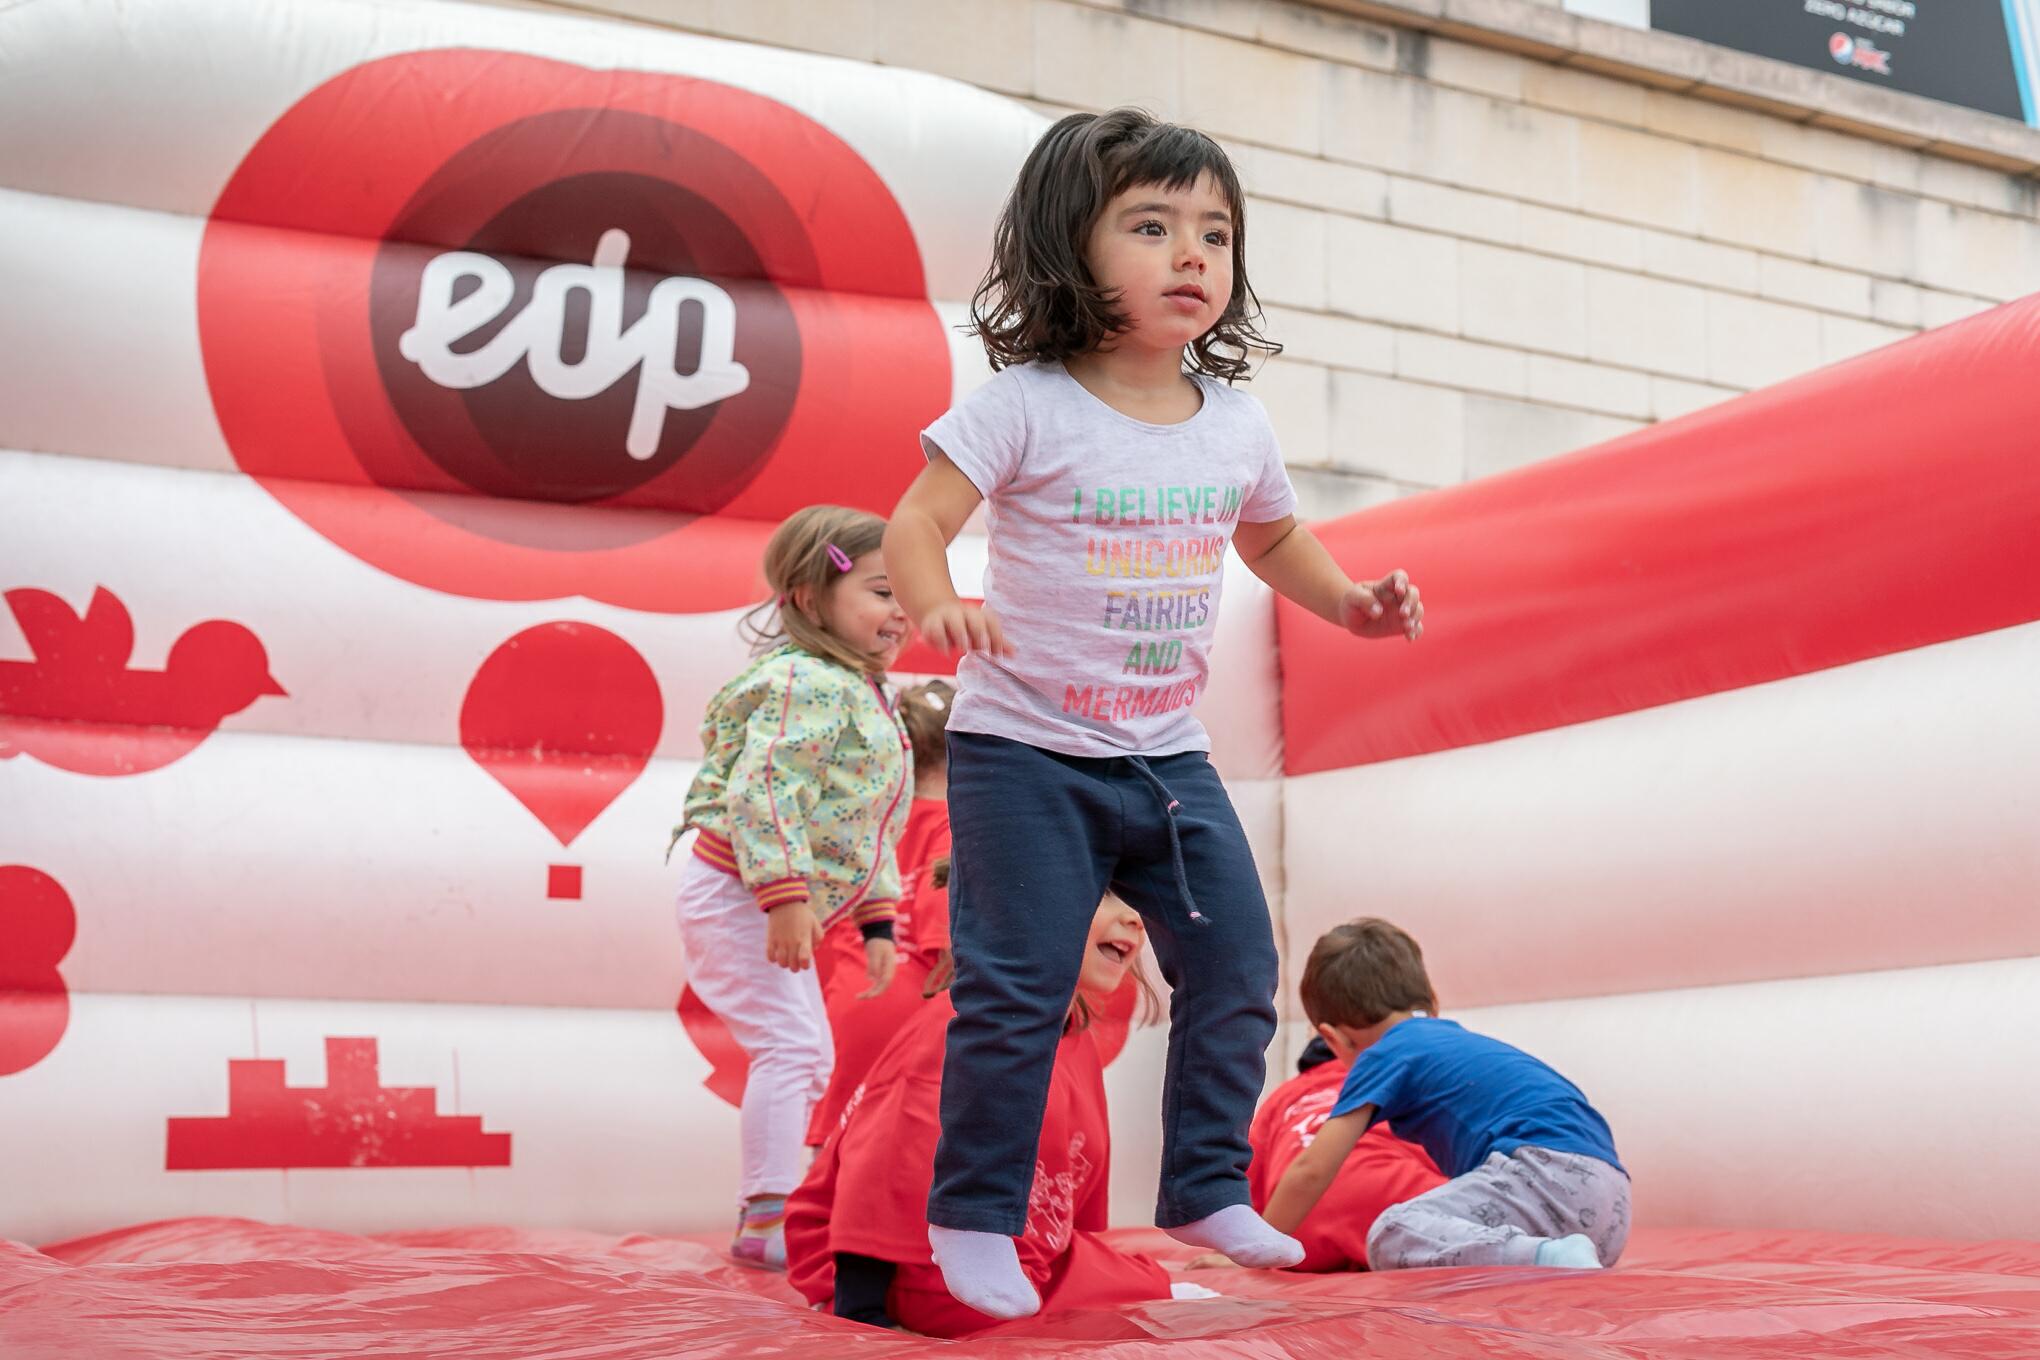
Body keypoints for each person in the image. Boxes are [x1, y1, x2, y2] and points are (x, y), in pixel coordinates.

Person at [882, 107, 1425, 1317]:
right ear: (1072, 251)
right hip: (1022, 749)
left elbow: (1274, 536)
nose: (1194, 256)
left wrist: (1353, 606)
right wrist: (939, 607)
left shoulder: (1234, 420)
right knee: (1017, 987)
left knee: (1236, 963)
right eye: (1152, 225)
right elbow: (916, 521)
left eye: (1215, 235)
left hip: (1163, 753)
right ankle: (972, 1210)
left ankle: (1201, 1184)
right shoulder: (1025, 404)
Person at [670, 505, 913, 1269]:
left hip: (772, 891)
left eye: (904, 592)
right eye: (880, 591)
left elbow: (865, 814)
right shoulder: (804, 680)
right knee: (791, 1044)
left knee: (807, 1052)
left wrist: (877, 920)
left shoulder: (862, 688)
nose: (899, 609)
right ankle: (767, 1217)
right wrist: (784, 897)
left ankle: (776, 1204)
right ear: (811, 599)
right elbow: (766, 789)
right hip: (739, 889)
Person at [784, 898, 1205, 1336]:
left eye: (1136, 900)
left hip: (1031, 1256)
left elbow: (1067, 1207)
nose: (1135, 918)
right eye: (1105, 896)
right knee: (1142, 1301)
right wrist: (865, 1318)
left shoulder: (1074, 1037)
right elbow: (878, 1171)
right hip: (926, 1275)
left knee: (1157, 1285)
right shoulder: (960, 1031)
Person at [1263, 919, 1630, 1270]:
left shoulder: (1385, 1055)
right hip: (1611, 1202)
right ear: (1432, 1003)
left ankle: (1548, 1257)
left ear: (1332, 1038)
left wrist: (1264, 1248)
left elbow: (1312, 1170)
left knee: (1392, 1232)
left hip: (1544, 1177)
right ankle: (1550, 1255)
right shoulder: (1456, 1044)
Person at [807, 680, 957, 1145]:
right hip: (908, 1009)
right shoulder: (953, 825)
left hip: (847, 997)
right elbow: (946, 940)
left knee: (836, 1139)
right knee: (899, 1145)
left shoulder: (867, 821)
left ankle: (814, 1218)